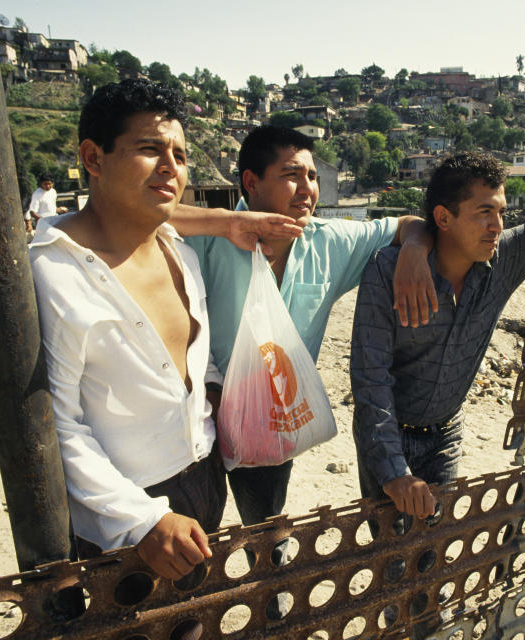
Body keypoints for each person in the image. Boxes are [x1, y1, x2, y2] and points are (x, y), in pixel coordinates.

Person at [0, 79, 302, 584]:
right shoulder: (45, 278)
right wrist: (142, 519)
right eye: (150, 149)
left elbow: (196, 357)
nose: (171, 166)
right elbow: (38, 429)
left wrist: (215, 397)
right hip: (116, 516)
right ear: (93, 157)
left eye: (179, 153)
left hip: (201, 482)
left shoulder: (180, 254)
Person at [180, 125, 435, 569]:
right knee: (194, 540)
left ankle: (273, 604)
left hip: (271, 423)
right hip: (197, 420)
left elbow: (408, 225)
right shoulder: (205, 240)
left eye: (313, 177)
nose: (308, 189)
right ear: (250, 182)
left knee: (267, 533)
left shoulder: (326, 242)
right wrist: (227, 223)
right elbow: (137, 216)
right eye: (292, 175)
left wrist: (413, 251)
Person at [351, 152, 525, 521]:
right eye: (483, 213)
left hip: (446, 434)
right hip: (387, 434)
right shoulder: (388, 271)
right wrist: (395, 472)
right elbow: (370, 379)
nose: (497, 226)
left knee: (433, 546)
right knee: (393, 556)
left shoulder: (504, 258)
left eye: (501, 212)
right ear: (443, 218)